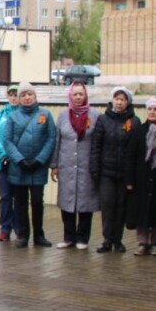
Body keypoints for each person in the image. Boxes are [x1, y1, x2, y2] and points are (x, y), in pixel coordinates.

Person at [3, 81, 57, 248]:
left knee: (37, 202)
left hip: (38, 168)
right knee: (19, 202)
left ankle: (39, 235)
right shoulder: (12, 117)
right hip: (18, 167)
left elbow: (51, 139)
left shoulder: (46, 115)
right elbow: (7, 141)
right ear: (18, 99)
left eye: (30, 94)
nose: (27, 98)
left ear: (35, 96)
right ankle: (23, 235)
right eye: (23, 95)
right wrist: (19, 160)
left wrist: (40, 160)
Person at [91, 87, 139, 253]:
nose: (119, 102)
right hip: (106, 172)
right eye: (117, 99)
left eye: (123, 99)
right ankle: (107, 239)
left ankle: (118, 240)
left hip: (125, 173)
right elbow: (96, 146)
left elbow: (136, 149)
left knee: (121, 207)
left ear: (128, 103)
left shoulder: (134, 121)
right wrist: (95, 169)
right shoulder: (103, 119)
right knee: (107, 205)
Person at [52, 80, 99, 249]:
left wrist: (96, 165)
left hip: (86, 166)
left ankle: (83, 238)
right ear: (70, 96)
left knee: (86, 203)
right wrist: (55, 165)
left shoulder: (95, 115)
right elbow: (57, 141)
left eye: (81, 94)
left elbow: (97, 142)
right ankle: (68, 237)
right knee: (67, 201)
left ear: (85, 95)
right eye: (75, 94)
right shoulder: (63, 115)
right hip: (66, 165)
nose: (78, 97)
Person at [125, 98, 156, 256]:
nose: (152, 112)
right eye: (150, 109)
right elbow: (130, 155)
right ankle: (142, 241)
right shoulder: (139, 130)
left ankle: (155, 242)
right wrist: (130, 180)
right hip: (141, 178)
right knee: (141, 211)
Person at [0, 84, 20, 242]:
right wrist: (3, 156)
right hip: (3, 164)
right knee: (5, 197)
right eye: (11, 95)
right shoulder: (1, 114)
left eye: (16, 95)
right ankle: (5, 228)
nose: (13, 98)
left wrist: (17, 157)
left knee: (19, 197)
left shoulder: (24, 113)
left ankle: (20, 228)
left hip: (19, 164)